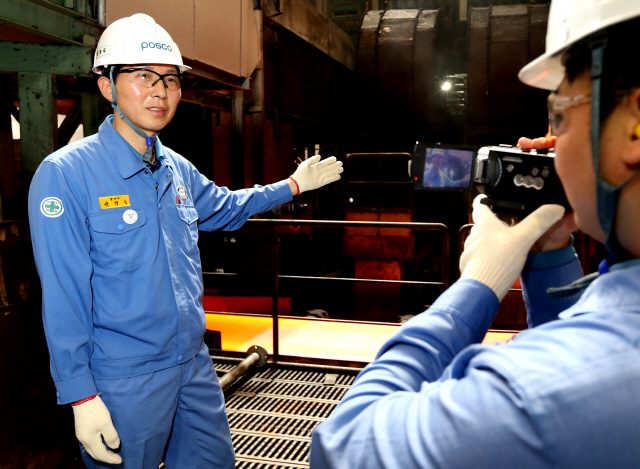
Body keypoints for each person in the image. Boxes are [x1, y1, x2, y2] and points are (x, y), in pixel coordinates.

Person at [310, 0, 640, 467]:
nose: (550, 146)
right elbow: (574, 338)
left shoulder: (535, 395)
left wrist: (477, 286)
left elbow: (344, 446)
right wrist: (548, 254)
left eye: (559, 117)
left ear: (634, 128)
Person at [28, 13, 342, 469]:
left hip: (192, 364)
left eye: (171, 80)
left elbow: (226, 207)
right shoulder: (65, 175)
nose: (160, 91)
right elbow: (63, 296)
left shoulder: (173, 166)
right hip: (125, 377)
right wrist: (81, 396)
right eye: (143, 77)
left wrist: (292, 185)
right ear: (106, 86)